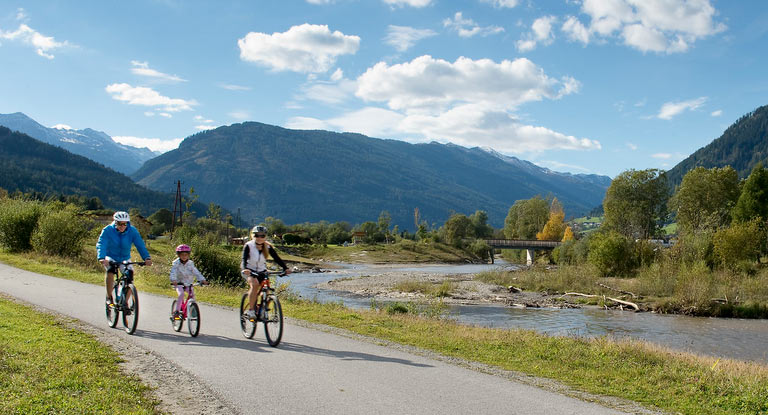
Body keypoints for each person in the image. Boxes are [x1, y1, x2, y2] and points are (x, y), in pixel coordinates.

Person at [96, 211, 152, 306]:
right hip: (111, 256)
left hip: (125, 258)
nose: (122, 226)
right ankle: (109, 297)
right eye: (119, 224)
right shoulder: (108, 230)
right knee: (110, 270)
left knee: (130, 277)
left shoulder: (132, 231)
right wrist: (101, 257)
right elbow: (102, 244)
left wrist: (146, 257)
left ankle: (124, 302)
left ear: (127, 223)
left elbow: (140, 245)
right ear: (115, 222)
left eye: (124, 224)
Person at [241, 225, 290, 318]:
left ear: (265, 236)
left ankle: (262, 308)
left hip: (262, 270)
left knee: (266, 289)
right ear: (252, 236)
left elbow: (277, 258)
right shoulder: (248, 245)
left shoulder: (268, 247)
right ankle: (251, 310)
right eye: (257, 235)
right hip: (249, 269)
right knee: (254, 285)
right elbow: (243, 259)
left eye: (262, 236)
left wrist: (285, 268)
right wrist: (245, 269)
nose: (259, 238)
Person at [170, 244, 209, 319]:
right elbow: (173, 272)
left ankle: (192, 310)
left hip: (188, 283)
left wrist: (202, 280)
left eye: (186, 255)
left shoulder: (190, 264)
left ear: (188, 255)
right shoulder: (176, 263)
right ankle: (177, 312)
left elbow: (196, 272)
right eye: (182, 255)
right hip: (179, 283)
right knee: (181, 294)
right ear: (179, 255)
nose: (184, 256)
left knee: (192, 295)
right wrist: (173, 280)